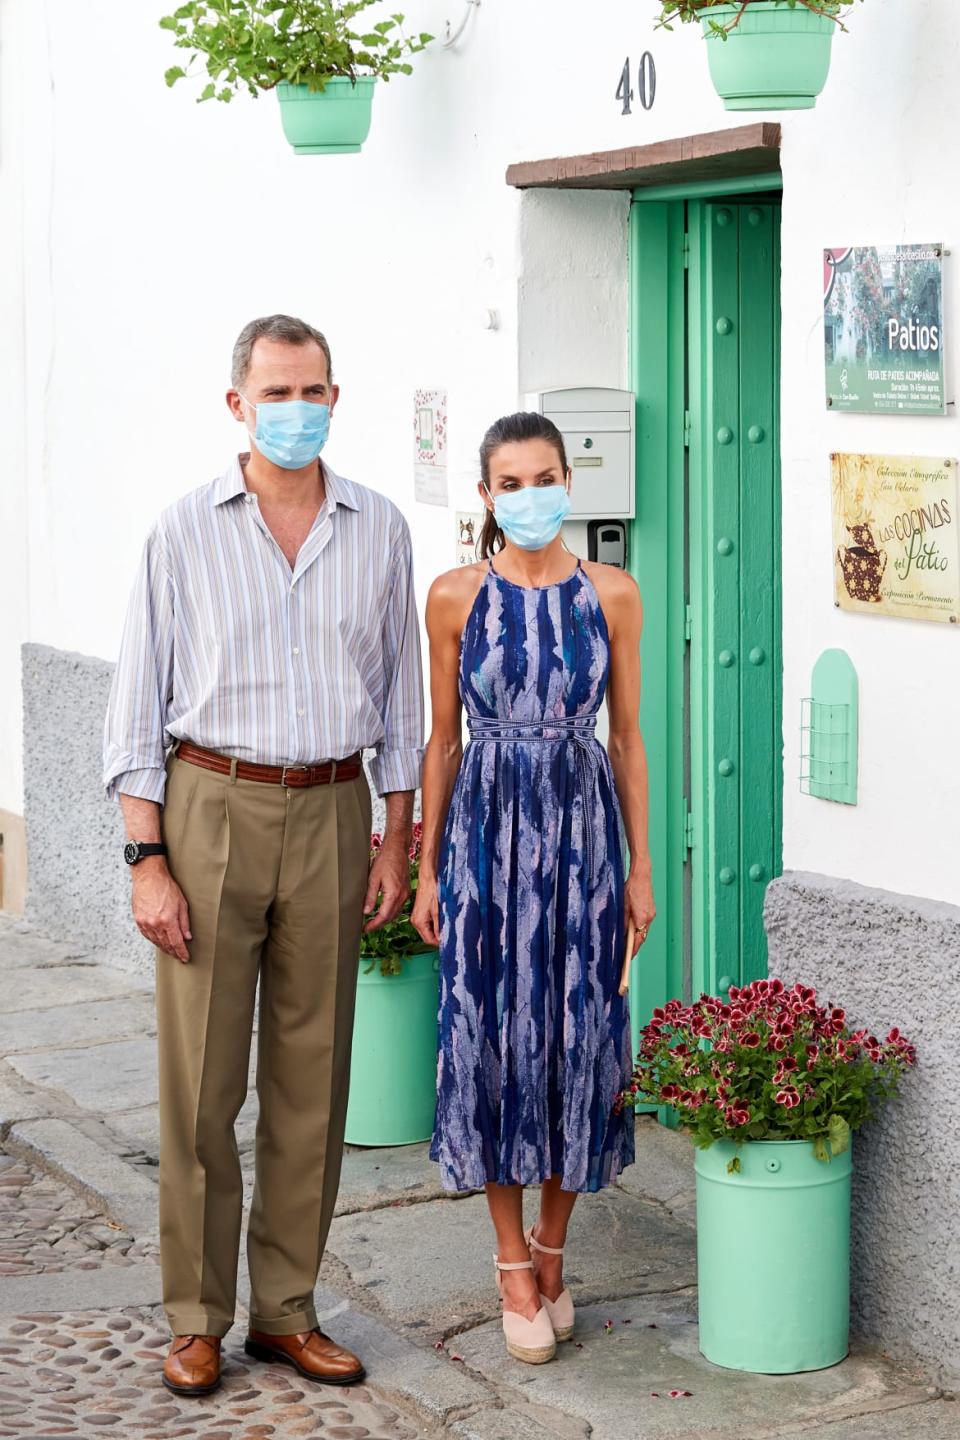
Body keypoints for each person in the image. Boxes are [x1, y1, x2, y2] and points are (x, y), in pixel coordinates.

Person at [103, 314, 424, 1396]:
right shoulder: (182, 531)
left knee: (310, 1080)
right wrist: (146, 856)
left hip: (333, 809)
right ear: (236, 405)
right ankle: (197, 1315)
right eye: (278, 393)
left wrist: (397, 833)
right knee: (200, 1084)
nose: (299, 410)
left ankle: (285, 1311)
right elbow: (135, 702)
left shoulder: (377, 527)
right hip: (210, 806)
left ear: (338, 398)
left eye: (316, 391)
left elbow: (402, 696)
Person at [412, 411, 655, 1365]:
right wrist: (429, 867)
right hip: (484, 836)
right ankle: (512, 1260)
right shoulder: (453, 597)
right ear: (485, 495)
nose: (528, 496)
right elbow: (441, 741)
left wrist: (639, 866)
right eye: (508, 483)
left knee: (581, 1035)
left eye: (543, 477)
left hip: (586, 836)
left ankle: (556, 1246)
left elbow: (629, 739)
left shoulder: (615, 596)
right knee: (493, 1035)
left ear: (568, 481)